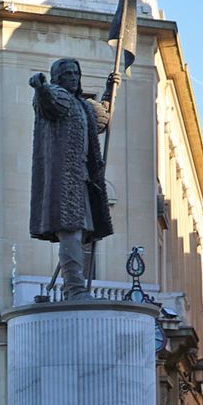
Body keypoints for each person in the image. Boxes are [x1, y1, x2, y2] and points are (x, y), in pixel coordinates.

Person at [29, 58, 120, 300]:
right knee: (70, 231)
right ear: (57, 77)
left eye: (75, 73)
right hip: (63, 178)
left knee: (79, 233)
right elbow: (48, 102)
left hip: (82, 178)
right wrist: (40, 86)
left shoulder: (82, 105)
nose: (72, 76)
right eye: (67, 73)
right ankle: (76, 289)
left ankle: (74, 287)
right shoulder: (57, 97)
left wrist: (110, 90)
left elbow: (102, 118)